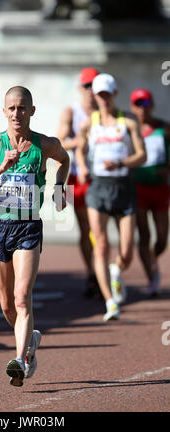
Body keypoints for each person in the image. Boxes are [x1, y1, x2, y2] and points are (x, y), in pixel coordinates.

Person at [0, 86, 69, 386]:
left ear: (32, 111)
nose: (16, 113)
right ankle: (30, 343)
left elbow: (65, 160)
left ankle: (21, 361)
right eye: (11, 108)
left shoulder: (45, 144)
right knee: (7, 305)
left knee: (22, 298)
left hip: (27, 226)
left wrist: (60, 189)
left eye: (22, 108)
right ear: (4, 112)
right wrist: (1, 167)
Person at [76, 73, 146, 321]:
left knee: (127, 250)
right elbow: (81, 151)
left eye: (107, 94)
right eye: (99, 94)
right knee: (101, 245)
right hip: (99, 188)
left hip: (124, 187)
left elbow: (142, 155)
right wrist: (83, 167)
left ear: (114, 94)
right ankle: (110, 302)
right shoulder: (88, 124)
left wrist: (120, 162)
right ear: (94, 96)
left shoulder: (127, 121)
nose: (103, 99)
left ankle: (117, 269)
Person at [57, 67, 100, 298]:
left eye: (94, 85)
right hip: (77, 176)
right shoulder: (71, 112)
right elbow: (59, 142)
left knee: (99, 230)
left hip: (104, 177)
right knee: (86, 227)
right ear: (80, 88)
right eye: (87, 86)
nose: (91, 91)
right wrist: (82, 139)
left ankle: (103, 271)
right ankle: (92, 273)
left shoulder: (109, 110)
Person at [130, 88, 170, 297]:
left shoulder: (163, 128)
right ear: (132, 107)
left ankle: (154, 256)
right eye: (137, 104)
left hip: (160, 188)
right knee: (143, 234)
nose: (142, 109)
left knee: (162, 237)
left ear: (152, 105)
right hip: (138, 188)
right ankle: (152, 279)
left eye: (145, 104)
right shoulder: (129, 129)